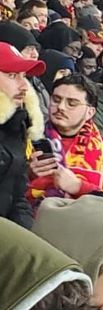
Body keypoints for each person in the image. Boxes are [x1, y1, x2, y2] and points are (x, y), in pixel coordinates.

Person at [27, 73, 103, 205]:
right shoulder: (29, 138)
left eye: (72, 103)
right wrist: (27, 173)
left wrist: (78, 187)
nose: (61, 107)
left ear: (90, 112)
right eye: (56, 100)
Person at [0, 40, 42, 228]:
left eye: (24, 76)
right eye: (12, 75)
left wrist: (27, 235)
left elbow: (18, 198)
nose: (24, 86)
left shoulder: (16, 124)